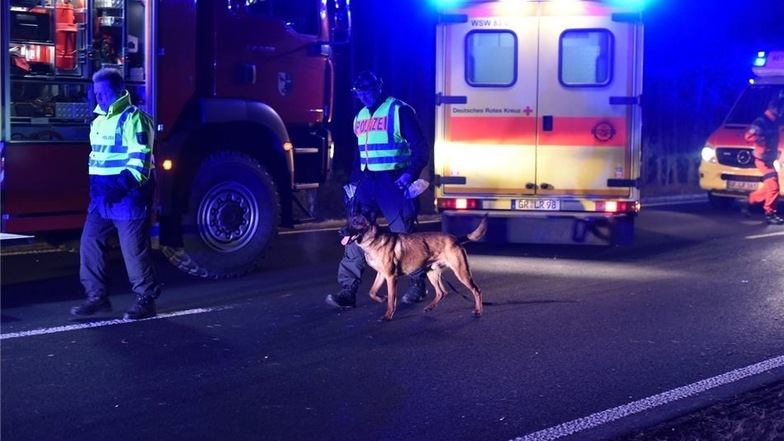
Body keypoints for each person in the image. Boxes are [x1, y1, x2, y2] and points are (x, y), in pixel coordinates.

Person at [326, 71, 431, 309]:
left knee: (404, 234)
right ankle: (348, 290)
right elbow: (359, 154)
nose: (363, 95)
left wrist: (409, 174)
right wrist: (353, 184)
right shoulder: (360, 116)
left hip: (393, 182)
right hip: (366, 183)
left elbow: (421, 148)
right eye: (358, 91)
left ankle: (417, 284)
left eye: (367, 89)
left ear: (378, 87)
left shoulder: (398, 110)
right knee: (354, 233)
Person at [70, 67, 161, 320]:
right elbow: (97, 158)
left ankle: (146, 299)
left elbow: (139, 162)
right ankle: (97, 298)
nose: (98, 97)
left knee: (133, 251)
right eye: (96, 92)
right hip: (102, 198)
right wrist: (97, 191)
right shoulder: (98, 120)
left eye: (103, 92)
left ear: (119, 91)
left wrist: (117, 188)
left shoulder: (134, 119)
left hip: (127, 197)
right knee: (90, 244)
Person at [742, 91, 784, 225]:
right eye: (781, 109)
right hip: (763, 160)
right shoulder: (762, 121)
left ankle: (750, 200)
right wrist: (761, 141)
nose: (782, 111)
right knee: (774, 187)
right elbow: (748, 136)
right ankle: (770, 213)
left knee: (769, 187)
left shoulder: (774, 121)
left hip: (769, 159)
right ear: (775, 108)